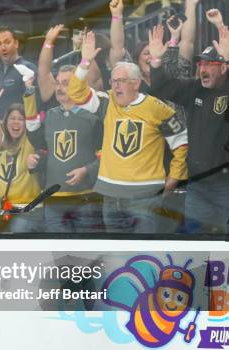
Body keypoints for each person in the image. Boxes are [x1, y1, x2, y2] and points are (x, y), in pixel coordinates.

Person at [68, 31, 188, 234]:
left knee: (143, 259)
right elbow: (77, 94)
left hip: (145, 197)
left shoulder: (156, 108)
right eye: (113, 81)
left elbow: (181, 141)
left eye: (121, 81)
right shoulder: (107, 102)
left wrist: (175, 176)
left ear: (136, 82)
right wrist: (85, 63)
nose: (115, 86)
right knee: (117, 257)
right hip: (110, 195)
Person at [149, 25, 229, 234]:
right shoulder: (195, 89)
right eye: (200, 64)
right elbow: (163, 87)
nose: (202, 69)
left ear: (223, 68)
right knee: (195, 240)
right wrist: (156, 62)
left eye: (209, 64)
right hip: (198, 183)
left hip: (226, 186)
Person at [25, 66, 103, 233]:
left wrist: (87, 170)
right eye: (58, 83)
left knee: (87, 256)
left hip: (85, 199)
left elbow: (107, 156)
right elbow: (44, 150)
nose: (59, 88)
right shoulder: (49, 116)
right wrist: (35, 160)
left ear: (78, 85)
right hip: (54, 200)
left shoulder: (93, 117)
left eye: (65, 83)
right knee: (58, 257)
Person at [0, 102, 42, 233]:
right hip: (0, 210)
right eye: (12, 118)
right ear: (5, 122)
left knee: (14, 243)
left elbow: (33, 122)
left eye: (20, 119)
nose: (16, 122)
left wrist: (29, 90)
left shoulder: (31, 140)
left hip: (26, 211)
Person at [0, 26, 37, 118]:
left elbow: (36, 106)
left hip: (18, 128)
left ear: (16, 43)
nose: (3, 47)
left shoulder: (28, 68)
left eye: (7, 42)